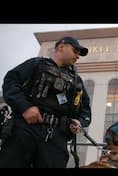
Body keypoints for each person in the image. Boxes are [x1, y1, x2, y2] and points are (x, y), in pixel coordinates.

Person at [0, 36, 92, 168]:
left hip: (56, 137)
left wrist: (79, 122)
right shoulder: (36, 64)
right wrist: (25, 107)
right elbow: (11, 81)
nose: (78, 56)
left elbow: (85, 110)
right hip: (25, 128)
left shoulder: (77, 81)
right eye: (75, 51)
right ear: (61, 47)